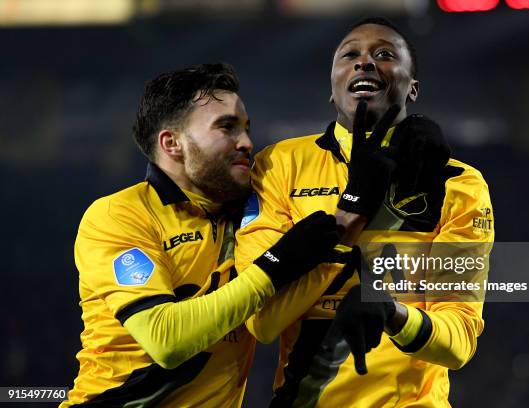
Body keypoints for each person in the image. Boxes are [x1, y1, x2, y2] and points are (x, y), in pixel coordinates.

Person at [235, 17, 495, 407]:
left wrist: (391, 313)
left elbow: (458, 342)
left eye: (385, 54)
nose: (365, 62)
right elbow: (263, 320)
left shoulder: (458, 184)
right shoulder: (279, 165)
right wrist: (353, 218)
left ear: (413, 88)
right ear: (332, 87)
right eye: (350, 54)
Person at [61, 63, 344, 407]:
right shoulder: (120, 215)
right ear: (172, 143)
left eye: (246, 128)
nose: (247, 142)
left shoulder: (254, 211)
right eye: (227, 127)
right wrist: (273, 269)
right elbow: (165, 339)